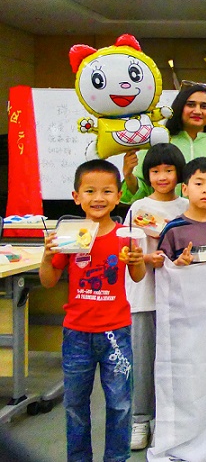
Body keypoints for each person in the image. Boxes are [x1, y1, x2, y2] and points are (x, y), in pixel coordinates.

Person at [38, 160, 146, 462]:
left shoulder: (125, 235)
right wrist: (47, 256)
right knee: (75, 405)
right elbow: (48, 281)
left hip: (116, 332)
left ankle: (117, 458)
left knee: (120, 404)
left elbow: (137, 277)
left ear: (119, 195)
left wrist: (137, 260)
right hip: (77, 332)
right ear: (76, 197)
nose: (98, 198)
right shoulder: (70, 235)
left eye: (107, 191)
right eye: (90, 191)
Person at [122, 143, 188, 450]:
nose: (162, 177)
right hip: (145, 296)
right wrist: (149, 259)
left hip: (178, 300)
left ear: (179, 173)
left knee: (175, 361)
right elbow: (127, 252)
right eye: (155, 171)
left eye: (169, 170)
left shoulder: (186, 206)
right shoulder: (139, 208)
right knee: (143, 360)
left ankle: (167, 421)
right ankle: (140, 419)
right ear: (147, 175)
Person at [121, 83, 206, 206]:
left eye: (204, 106)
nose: (197, 111)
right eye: (191, 105)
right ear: (179, 108)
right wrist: (128, 174)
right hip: (161, 215)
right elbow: (142, 191)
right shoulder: (158, 142)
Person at [158, 157, 206, 265]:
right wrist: (178, 263)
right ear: (185, 189)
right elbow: (162, 268)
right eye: (199, 184)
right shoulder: (173, 229)